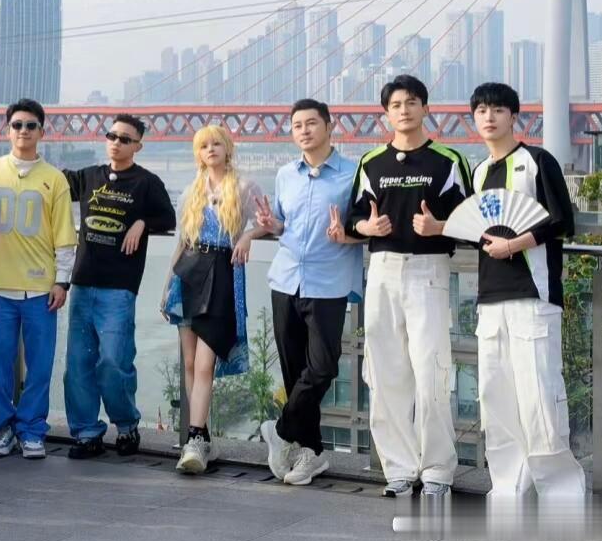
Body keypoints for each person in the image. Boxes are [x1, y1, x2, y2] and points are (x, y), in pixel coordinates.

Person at [415, 82, 585, 498]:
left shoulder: (537, 161)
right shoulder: (479, 172)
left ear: (513, 116)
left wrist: (514, 244)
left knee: (540, 398)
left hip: (533, 296)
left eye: (497, 109)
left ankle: (561, 495)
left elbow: (561, 221)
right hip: (490, 299)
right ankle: (507, 490)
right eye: (481, 111)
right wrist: (441, 228)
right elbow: (481, 230)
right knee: (497, 400)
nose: (488, 117)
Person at [347, 74, 472, 498]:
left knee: (431, 371)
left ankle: (437, 470)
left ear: (425, 108)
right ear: (386, 113)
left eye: (412, 102)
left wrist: (440, 226)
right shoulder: (371, 162)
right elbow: (353, 217)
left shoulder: (448, 160)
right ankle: (398, 469)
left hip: (428, 271)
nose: (404, 110)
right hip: (382, 269)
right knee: (385, 373)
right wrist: (367, 227)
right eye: (396, 104)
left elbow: (472, 219)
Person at [253, 99, 363, 487]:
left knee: (322, 366)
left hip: (328, 283)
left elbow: (362, 226)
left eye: (312, 123)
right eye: (297, 125)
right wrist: (272, 225)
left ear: (330, 127)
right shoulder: (286, 174)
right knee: (294, 372)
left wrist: (346, 234)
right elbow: (284, 225)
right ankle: (310, 452)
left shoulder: (352, 173)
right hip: (286, 280)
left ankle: (280, 430)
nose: (304, 130)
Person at [61, 114, 176, 460]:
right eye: (111, 135)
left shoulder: (147, 183)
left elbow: (169, 218)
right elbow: (47, 183)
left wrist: (142, 222)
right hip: (83, 282)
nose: (116, 142)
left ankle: (126, 426)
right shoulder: (88, 176)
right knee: (78, 364)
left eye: (125, 139)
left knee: (115, 360)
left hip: (119, 287)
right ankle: (86, 433)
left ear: (138, 146)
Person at [0, 99, 77, 460]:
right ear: (7, 131)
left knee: (40, 366)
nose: (23, 131)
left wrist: (62, 281)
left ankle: (32, 430)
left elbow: (65, 237)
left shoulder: (55, 179)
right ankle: (1, 427)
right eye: (17, 125)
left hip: (40, 289)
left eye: (31, 125)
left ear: (41, 132)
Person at [161, 125, 263, 475]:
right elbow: (181, 240)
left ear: (228, 147)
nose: (211, 149)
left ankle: (193, 439)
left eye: (217, 143)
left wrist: (248, 235)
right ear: (198, 153)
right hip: (188, 272)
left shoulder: (245, 186)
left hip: (222, 273)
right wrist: (166, 287)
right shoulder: (192, 189)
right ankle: (200, 437)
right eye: (204, 145)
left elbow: (273, 223)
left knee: (206, 364)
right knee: (190, 363)